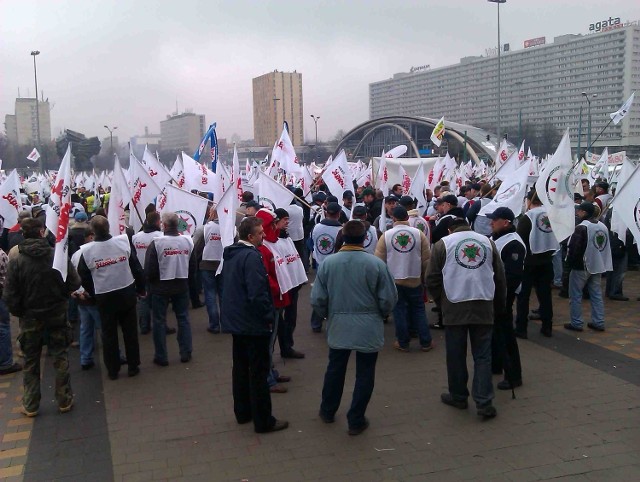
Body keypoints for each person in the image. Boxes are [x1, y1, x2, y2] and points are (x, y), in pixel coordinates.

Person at [312, 220, 397, 435]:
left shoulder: (328, 264)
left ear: (343, 237)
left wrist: (328, 315)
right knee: (365, 373)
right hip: (368, 326)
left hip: (339, 324)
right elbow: (388, 298)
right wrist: (381, 314)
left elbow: (317, 299)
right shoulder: (376, 264)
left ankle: (327, 410)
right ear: (364, 238)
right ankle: (356, 418)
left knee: (335, 369)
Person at [426, 218, 506, 420]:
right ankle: (484, 401)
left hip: (454, 305)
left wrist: (440, 301)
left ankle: (458, 396)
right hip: (483, 303)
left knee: (455, 354)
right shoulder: (488, 242)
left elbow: (431, 278)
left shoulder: (442, 244)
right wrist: (499, 305)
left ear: (450, 229)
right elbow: (499, 276)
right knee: (483, 356)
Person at [3, 218, 80, 416]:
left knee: (30, 360)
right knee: (60, 356)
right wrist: (62, 296)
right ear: (41, 232)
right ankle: (64, 399)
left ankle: (31, 405)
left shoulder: (17, 260)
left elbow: (10, 294)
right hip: (56, 313)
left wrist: (19, 312)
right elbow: (74, 281)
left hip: (30, 317)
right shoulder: (56, 255)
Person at [221, 216, 288, 433]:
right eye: (260, 233)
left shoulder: (233, 253)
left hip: (237, 320)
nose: (264, 236)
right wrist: (267, 317)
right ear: (250, 236)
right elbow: (258, 292)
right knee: (258, 372)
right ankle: (263, 420)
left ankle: (243, 412)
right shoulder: (252, 256)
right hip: (252, 322)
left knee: (240, 368)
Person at [78, 215, 145, 380]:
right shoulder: (122, 242)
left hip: (105, 296)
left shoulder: (87, 251)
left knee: (109, 334)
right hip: (125, 292)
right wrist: (141, 289)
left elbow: (84, 277)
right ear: (108, 228)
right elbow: (136, 268)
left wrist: (93, 294)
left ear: (93, 231)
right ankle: (133, 365)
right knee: (129, 332)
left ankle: (113, 369)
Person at [375, 206, 433, 352]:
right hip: (414, 278)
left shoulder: (386, 235)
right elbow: (426, 259)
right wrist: (425, 278)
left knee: (399, 311)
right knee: (419, 310)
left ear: (393, 218)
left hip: (394, 279)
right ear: (407, 218)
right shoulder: (419, 234)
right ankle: (425, 341)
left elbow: (379, 261)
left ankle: (403, 342)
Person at [145, 212, 196, 365]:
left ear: (164, 225)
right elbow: (192, 266)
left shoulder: (157, 243)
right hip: (181, 285)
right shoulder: (187, 241)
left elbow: (149, 269)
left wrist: (152, 283)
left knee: (159, 321)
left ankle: (161, 356)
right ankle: (185, 351)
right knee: (183, 318)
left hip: (161, 288)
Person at [487, 207, 525, 390]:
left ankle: (513, 375)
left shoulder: (514, 243)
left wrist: (502, 297)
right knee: (494, 332)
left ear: (506, 222)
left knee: (505, 334)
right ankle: (496, 364)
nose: (491, 222)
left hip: (503, 296)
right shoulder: (494, 238)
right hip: (491, 293)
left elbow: (513, 276)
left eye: (495, 219)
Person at [515, 189, 558, 338]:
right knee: (545, 295)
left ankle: (521, 328)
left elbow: (520, 239)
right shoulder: (551, 214)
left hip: (529, 261)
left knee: (523, 296)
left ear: (529, 201)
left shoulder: (528, 217)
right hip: (547, 260)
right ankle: (547, 327)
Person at [565, 202, 612, 333]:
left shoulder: (582, 227)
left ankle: (577, 322)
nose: (577, 213)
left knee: (575, 295)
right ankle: (599, 321)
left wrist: (569, 263)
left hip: (582, 266)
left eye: (579, 211)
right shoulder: (602, 226)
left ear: (584, 212)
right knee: (596, 294)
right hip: (598, 264)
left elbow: (575, 248)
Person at [310, 202, 343, 332]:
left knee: (320, 295)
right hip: (335, 266)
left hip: (320, 264)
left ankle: (316, 323)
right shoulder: (341, 229)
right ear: (339, 214)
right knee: (334, 296)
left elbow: (311, 243)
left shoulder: (317, 227)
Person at [131, 211, 164, 334]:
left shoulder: (136, 237)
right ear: (157, 222)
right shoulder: (161, 236)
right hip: (157, 271)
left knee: (143, 299)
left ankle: (144, 325)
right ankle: (160, 325)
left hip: (141, 271)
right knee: (157, 299)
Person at [193, 207, 225, 333]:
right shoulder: (230, 228)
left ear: (212, 213)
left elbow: (195, 246)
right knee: (223, 294)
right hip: (223, 264)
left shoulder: (204, 228)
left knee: (210, 294)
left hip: (207, 264)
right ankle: (225, 322)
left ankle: (214, 324)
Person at [0, 247, 22, 375]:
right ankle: (5, 363)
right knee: (3, 328)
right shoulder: (2, 255)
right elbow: (8, 276)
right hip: (1, 295)